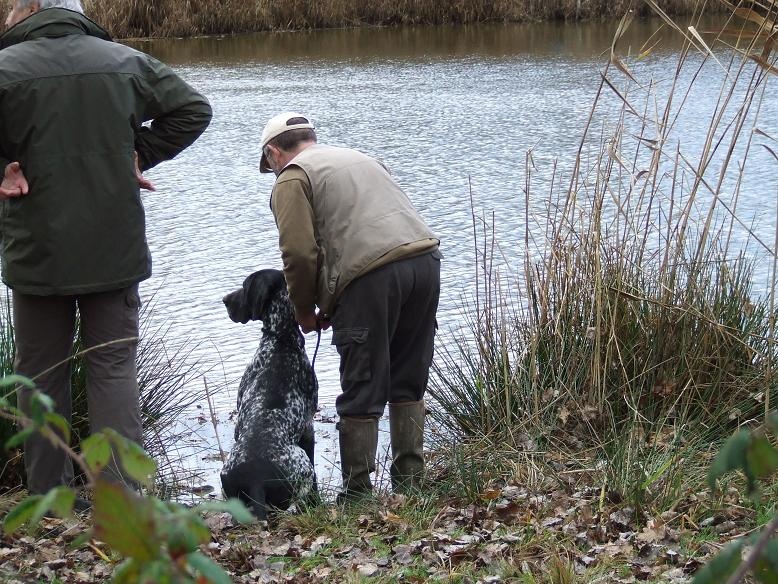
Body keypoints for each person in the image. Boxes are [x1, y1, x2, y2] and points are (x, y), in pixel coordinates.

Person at [0, 0, 212, 502]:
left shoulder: (5, 68)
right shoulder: (126, 62)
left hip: (37, 254)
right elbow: (193, 110)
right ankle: (121, 500)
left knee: (39, 375)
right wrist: (139, 152)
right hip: (113, 252)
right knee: (113, 369)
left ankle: (48, 501)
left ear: (29, 10)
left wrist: (5, 165)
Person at [260, 112, 441, 500]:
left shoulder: (292, 177)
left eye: (269, 165)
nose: (273, 171)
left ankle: (357, 495)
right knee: (407, 378)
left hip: (371, 277)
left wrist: (305, 310)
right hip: (425, 261)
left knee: (363, 383)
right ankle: (411, 484)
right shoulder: (360, 157)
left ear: (274, 152)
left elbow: (299, 254)